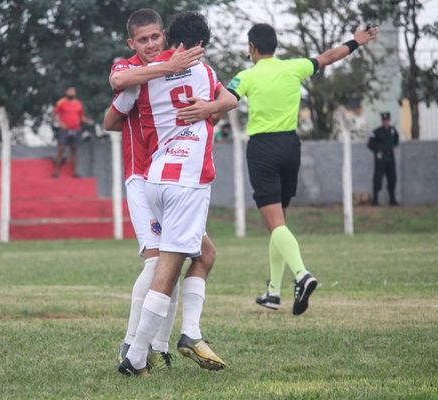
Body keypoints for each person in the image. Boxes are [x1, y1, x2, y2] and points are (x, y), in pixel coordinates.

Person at [106, 11, 238, 376]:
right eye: (142, 40)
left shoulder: (145, 80)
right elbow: (232, 99)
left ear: (167, 37)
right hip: (185, 184)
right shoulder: (205, 72)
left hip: (157, 179)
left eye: (155, 39)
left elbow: (121, 89)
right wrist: (208, 103)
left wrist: (206, 104)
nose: (150, 45)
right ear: (199, 46)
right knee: (163, 269)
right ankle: (134, 353)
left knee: (205, 254)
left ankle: (188, 334)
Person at [217, 23, 378, 315]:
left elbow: (225, 102)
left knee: (275, 224)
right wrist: (356, 42)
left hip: (263, 150)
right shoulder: (294, 68)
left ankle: (302, 275)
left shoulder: (246, 76)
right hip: (291, 147)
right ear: (275, 46)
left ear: (252, 47)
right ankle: (273, 293)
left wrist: (200, 108)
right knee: (280, 223)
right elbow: (329, 56)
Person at [52, 87, 93, 178]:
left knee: (74, 150)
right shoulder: (61, 102)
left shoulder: (79, 103)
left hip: (76, 129)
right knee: (61, 149)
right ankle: (56, 171)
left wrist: (88, 121)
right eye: (70, 91)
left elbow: (81, 117)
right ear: (66, 92)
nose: (71, 92)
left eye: (73, 91)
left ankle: (74, 172)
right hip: (64, 129)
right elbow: (55, 114)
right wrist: (60, 123)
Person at [368, 112, 399, 206]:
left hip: (390, 158)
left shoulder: (393, 130)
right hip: (380, 159)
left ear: (389, 121)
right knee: (378, 178)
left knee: (392, 178)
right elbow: (370, 144)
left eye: (387, 120)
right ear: (382, 121)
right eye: (384, 120)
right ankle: (375, 200)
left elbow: (396, 141)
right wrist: (378, 151)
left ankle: (392, 200)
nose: (386, 122)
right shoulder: (376, 132)